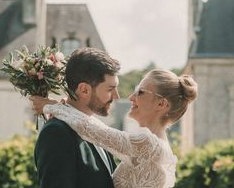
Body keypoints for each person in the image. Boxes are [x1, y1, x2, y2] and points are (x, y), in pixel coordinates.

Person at [31, 68, 198, 188]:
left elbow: (94, 131)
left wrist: (51, 106)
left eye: (140, 92)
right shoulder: (160, 149)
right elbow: (100, 130)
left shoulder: (149, 145)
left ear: (162, 104)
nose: (131, 97)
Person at [34, 47, 121, 188]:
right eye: (110, 89)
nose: (117, 97)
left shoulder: (97, 129)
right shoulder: (57, 133)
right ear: (84, 90)